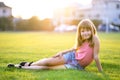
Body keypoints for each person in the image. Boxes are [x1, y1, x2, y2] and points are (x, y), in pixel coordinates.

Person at [7, 19, 103, 72]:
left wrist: (101, 72)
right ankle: (28, 64)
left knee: (48, 68)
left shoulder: (95, 38)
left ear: (92, 29)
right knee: (48, 62)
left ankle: (20, 67)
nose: (85, 33)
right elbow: (75, 49)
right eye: (82, 31)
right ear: (80, 32)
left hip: (76, 66)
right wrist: (62, 52)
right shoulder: (81, 40)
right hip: (71, 56)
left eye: (87, 30)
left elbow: (96, 57)